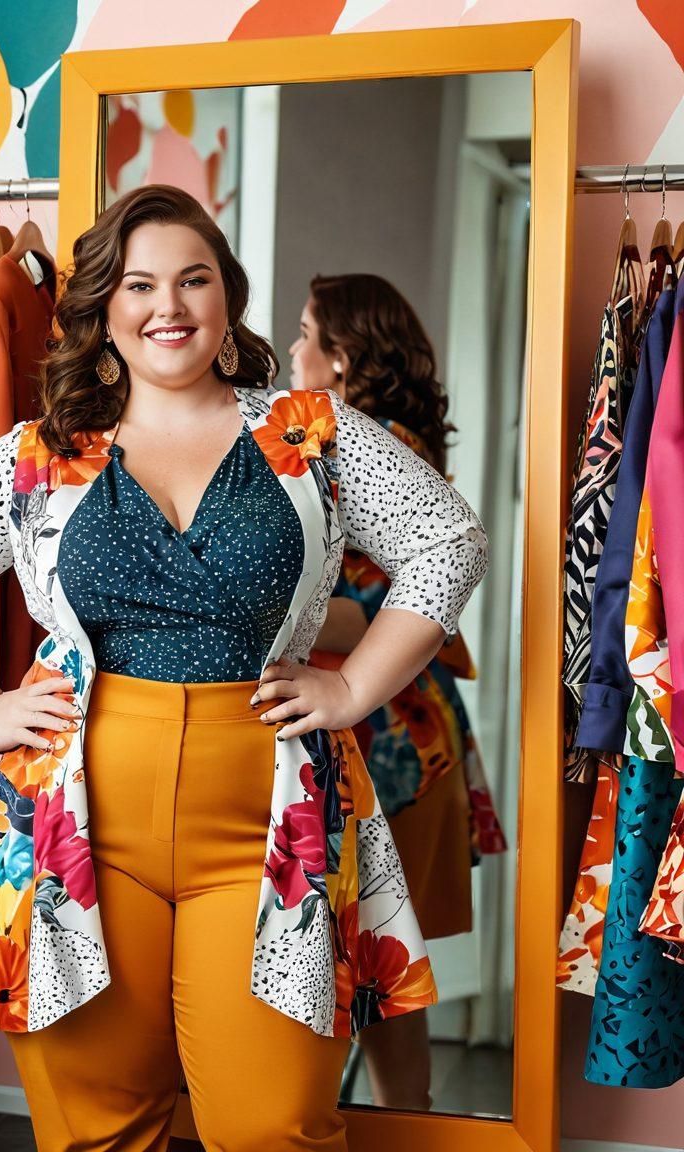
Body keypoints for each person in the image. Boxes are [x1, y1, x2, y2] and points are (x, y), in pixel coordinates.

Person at [0, 188, 488, 1152]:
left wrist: (356, 686)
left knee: (274, 1125)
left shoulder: (310, 434)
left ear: (225, 298)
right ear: (106, 308)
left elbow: (448, 536)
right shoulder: (45, 454)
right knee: (99, 1129)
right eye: (140, 283)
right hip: (74, 821)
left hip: (272, 816)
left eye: (194, 279)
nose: (169, 305)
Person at [290, 272, 506, 1112]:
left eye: (307, 333)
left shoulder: (370, 446)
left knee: (359, 953)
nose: (295, 349)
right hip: (405, 733)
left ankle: (375, 1126)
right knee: (377, 960)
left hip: (383, 736)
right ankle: (396, 1125)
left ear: (341, 358)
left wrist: (274, 609)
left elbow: (383, 610)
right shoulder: (391, 438)